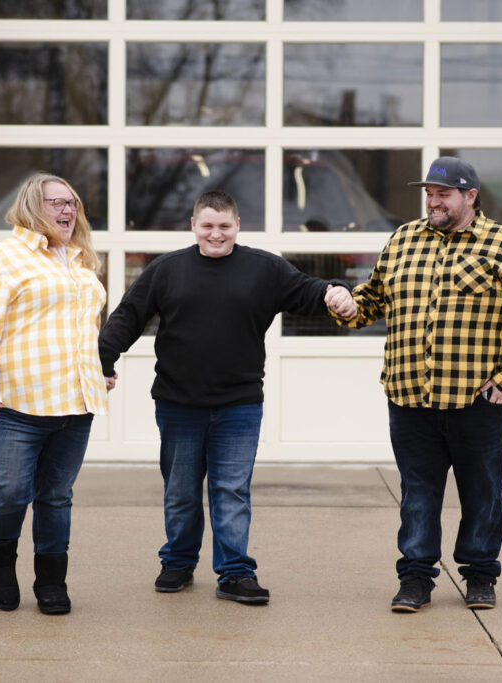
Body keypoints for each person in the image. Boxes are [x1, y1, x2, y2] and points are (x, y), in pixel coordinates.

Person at [98, 190, 356, 605]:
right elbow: (128, 316)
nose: (215, 234)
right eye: (207, 225)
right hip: (179, 405)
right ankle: (178, 563)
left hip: (239, 405)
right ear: (193, 226)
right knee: (180, 491)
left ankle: (235, 573)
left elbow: (310, 291)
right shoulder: (167, 270)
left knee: (231, 491)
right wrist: (103, 361)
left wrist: (337, 291)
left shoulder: (263, 269)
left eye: (224, 226)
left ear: (237, 226)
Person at [331, 157, 502, 612]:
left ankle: (480, 576)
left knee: (482, 492)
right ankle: (415, 579)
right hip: (410, 397)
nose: (433, 201)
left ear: (470, 196)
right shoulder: (403, 239)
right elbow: (373, 301)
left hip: (478, 402)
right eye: (429, 193)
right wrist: (347, 304)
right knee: (417, 493)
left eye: (443, 194)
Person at [0, 172, 112, 615]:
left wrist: (95, 370)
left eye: (72, 203)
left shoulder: (80, 261)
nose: (68, 211)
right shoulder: (0, 260)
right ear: (30, 206)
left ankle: (51, 583)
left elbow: (81, 328)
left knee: (56, 497)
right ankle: (1, 566)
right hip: (17, 408)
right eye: (56, 203)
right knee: (9, 494)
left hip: (74, 406)